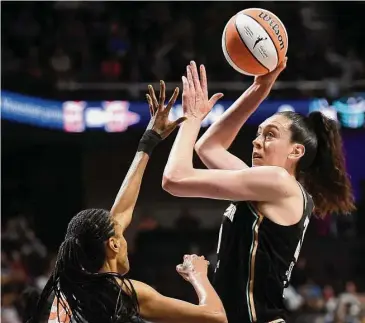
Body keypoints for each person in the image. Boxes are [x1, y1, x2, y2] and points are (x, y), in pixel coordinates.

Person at [162, 60, 355, 323]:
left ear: (296, 151)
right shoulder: (268, 187)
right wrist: (259, 87)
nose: (256, 140)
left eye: (270, 135)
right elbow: (208, 148)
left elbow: (175, 178)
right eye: (258, 133)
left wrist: (192, 119)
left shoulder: (278, 182)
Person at [25, 82, 227, 323]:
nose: (124, 235)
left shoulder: (67, 292)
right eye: (121, 236)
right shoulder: (119, 292)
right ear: (113, 245)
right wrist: (198, 275)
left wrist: (148, 142)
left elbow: (121, 213)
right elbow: (215, 316)